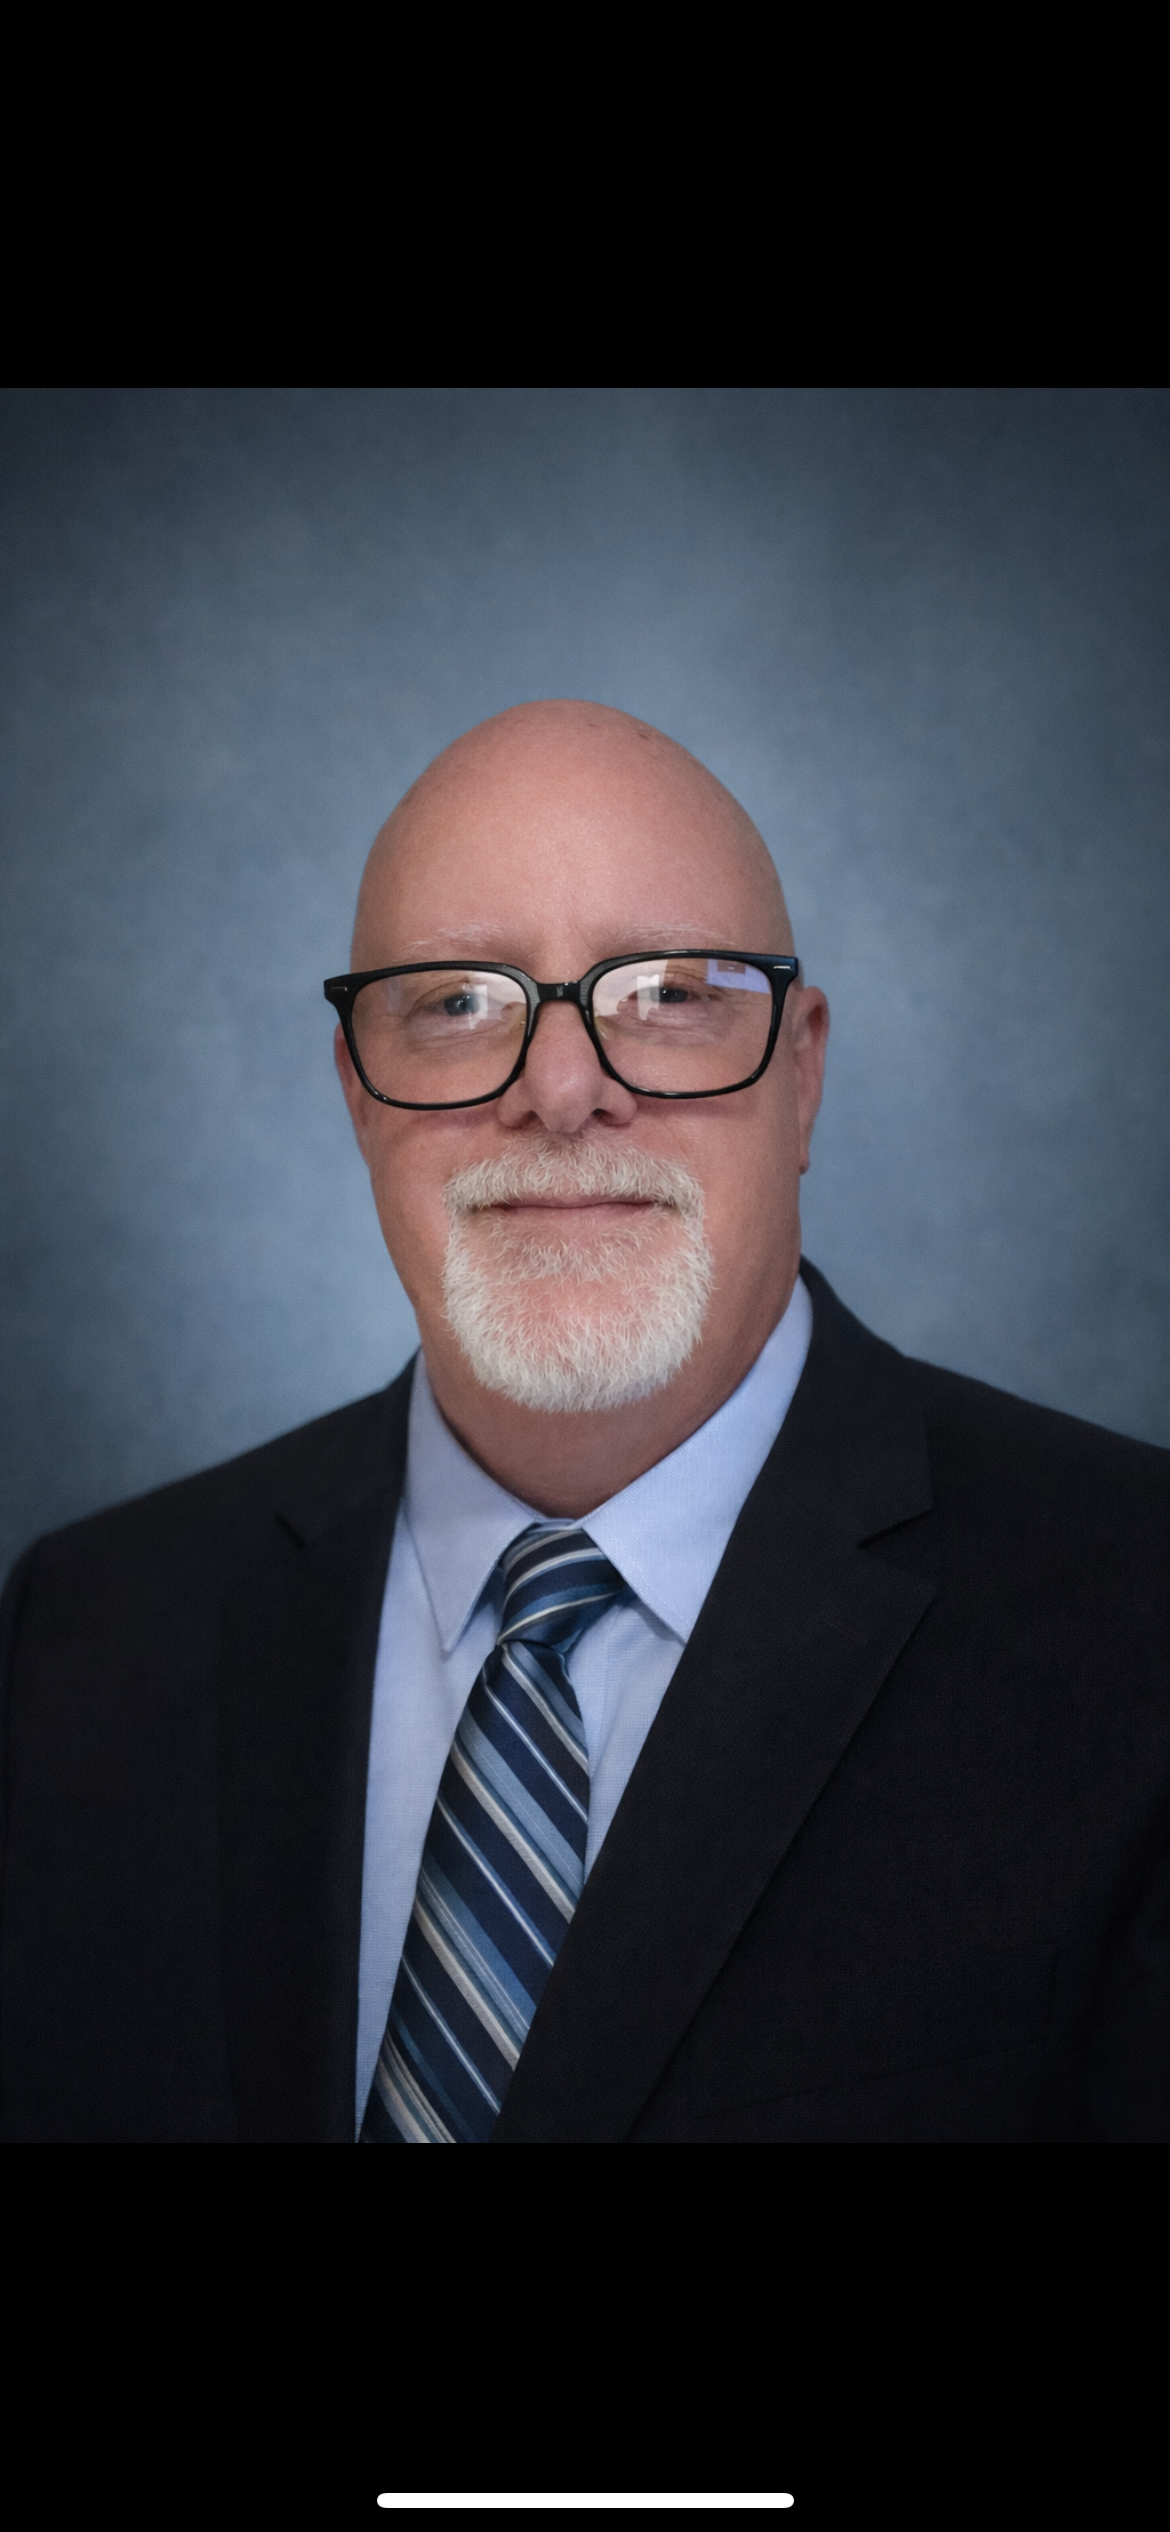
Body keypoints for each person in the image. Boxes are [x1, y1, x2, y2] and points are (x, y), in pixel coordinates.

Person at [1, 701, 1166, 2143]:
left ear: (799, 1076)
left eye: (670, 992)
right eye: (456, 1002)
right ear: (357, 1093)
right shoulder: (88, 1633)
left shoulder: (1136, 1612)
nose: (563, 1093)